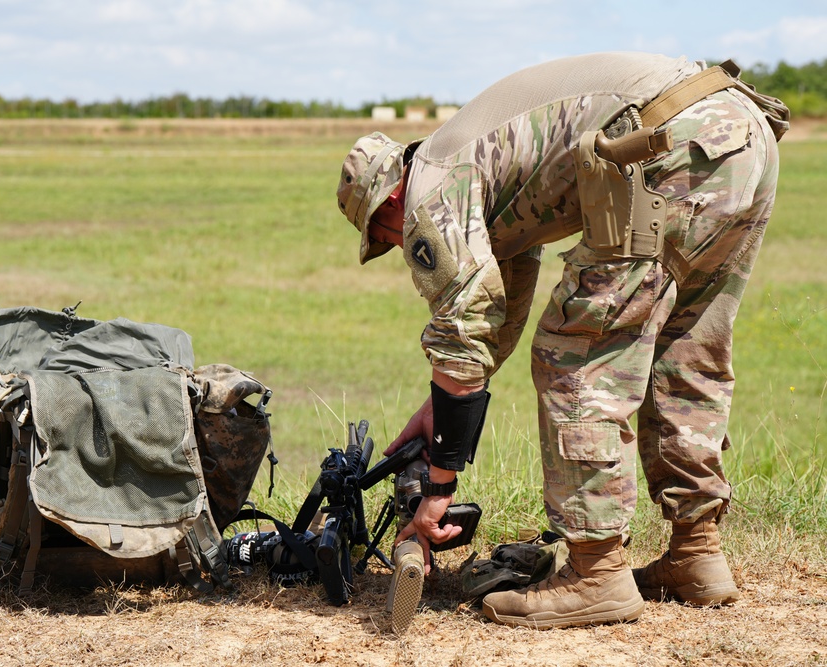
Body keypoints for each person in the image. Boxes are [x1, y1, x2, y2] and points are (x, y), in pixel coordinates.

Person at [335, 52, 787, 629]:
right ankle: (696, 554)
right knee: (685, 345)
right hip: (737, 132)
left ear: (387, 204)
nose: (400, 248)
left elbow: (464, 318)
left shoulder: (429, 186)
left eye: (386, 238)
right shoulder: (475, 171)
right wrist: (441, 411)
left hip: (664, 150)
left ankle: (597, 574)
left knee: (573, 353)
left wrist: (439, 483)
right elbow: (498, 307)